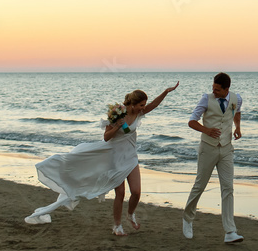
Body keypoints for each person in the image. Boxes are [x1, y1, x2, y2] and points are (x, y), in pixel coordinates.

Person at [24, 83, 179, 235]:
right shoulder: (117, 113)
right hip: (115, 158)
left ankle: (130, 214)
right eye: (141, 105)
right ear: (133, 104)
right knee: (120, 193)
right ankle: (117, 226)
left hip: (130, 156)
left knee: (137, 192)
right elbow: (106, 137)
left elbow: (154, 105)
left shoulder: (139, 113)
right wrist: (118, 126)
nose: (143, 107)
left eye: (144, 105)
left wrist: (166, 92)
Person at [182, 72, 243, 243]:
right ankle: (187, 218)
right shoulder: (206, 99)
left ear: (226, 89)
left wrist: (238, 127)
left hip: (226, 149)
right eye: (213, 88)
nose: (214, 91)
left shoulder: (236, 98)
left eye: (217, 90)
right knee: (200, 185)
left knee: (228, 188)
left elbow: (237, 113)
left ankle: (230, 231)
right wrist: (206, 130)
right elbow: (192, 121)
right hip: (208, 148)